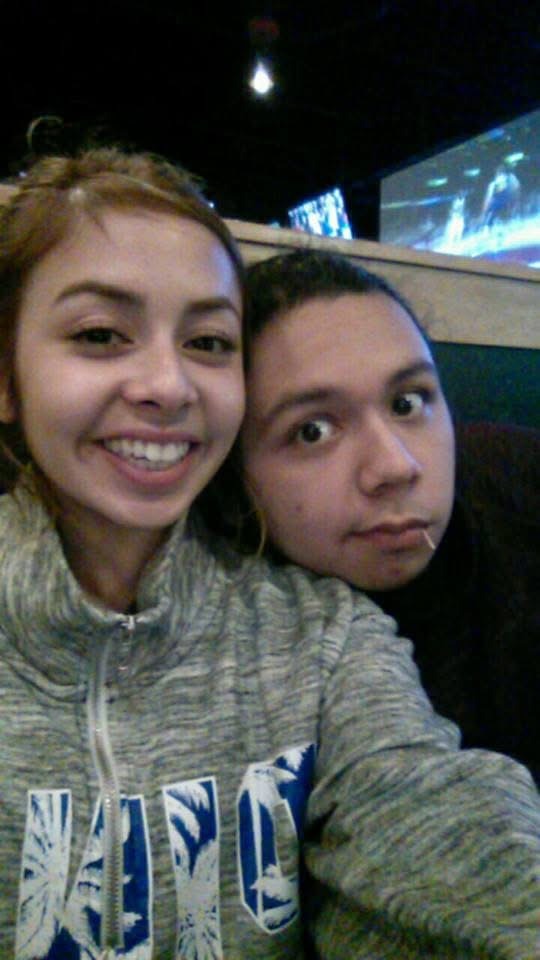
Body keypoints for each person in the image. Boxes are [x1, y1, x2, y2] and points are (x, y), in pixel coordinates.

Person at [0, 154, 539, 960]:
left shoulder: (322, 636)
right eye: (100, 334)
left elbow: (432, 817)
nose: (168, 385)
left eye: (208, 341)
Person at [205, 247, 540, 789]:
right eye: (313, 431)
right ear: (233, 473)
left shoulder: (520, 492)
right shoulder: (230, 644)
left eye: (408, 403)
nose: (395, 467)